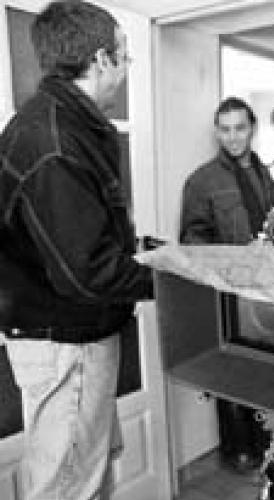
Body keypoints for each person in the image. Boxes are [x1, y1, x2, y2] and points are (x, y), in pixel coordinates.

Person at [0, 2, 151, 499]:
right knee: (67, 488)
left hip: (72, 340)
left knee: (88, 475)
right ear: (102, 59)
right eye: (125, 56)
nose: (127, 70)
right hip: (67, 344)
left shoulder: (65, 125)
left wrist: (144, 253)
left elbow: (84, 238)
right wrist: (168, 275)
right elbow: (88, 272)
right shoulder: (54, 141)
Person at [179, 97, 274, 472]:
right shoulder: (201, 181)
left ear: (252, 129)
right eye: (225, 129)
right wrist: (236, 257)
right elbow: (192, 243)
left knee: (263, 368)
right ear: (217, 132)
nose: (233, 137)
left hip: (266, 291)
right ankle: (239, 451)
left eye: (240, 128)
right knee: (232, 372)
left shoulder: (264, 173)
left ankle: (265, 446)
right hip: (227, 293)